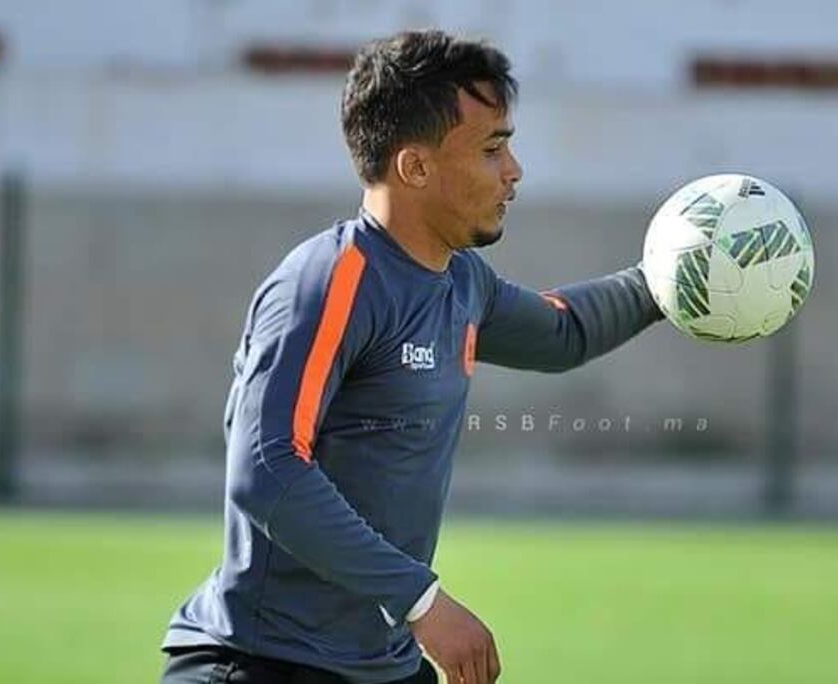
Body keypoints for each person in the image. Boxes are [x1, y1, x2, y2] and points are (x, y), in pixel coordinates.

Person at [159, 28, 662, 684]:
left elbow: (564, 333)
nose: (514, 171)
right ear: (415, 167)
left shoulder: (463, 282)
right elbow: (266, 469)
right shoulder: (329, 280)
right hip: (261, 663)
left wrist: (667, 281)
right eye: (492, 149)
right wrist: (421, 602)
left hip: (381, 667)